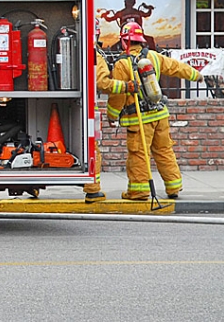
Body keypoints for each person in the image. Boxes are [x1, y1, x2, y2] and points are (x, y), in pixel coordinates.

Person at [106, 21, 203, 200]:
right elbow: (176, 67)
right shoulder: (153, 56)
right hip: (160, 114)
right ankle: (174, 187)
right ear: (141, 40)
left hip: (139, 119)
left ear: (124, 42)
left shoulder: (122, 64)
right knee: (164, 150)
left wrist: (112, 115)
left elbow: (117, 94)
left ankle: (139, 191)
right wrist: (196, 75)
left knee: (139, 153)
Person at [84, 18, 137, 203]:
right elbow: (102, 83)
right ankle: (93, 189)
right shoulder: (94, 53)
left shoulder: (84, 49)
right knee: (93, 150)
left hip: (79, 109)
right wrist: (126, 86)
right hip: (88, 110)